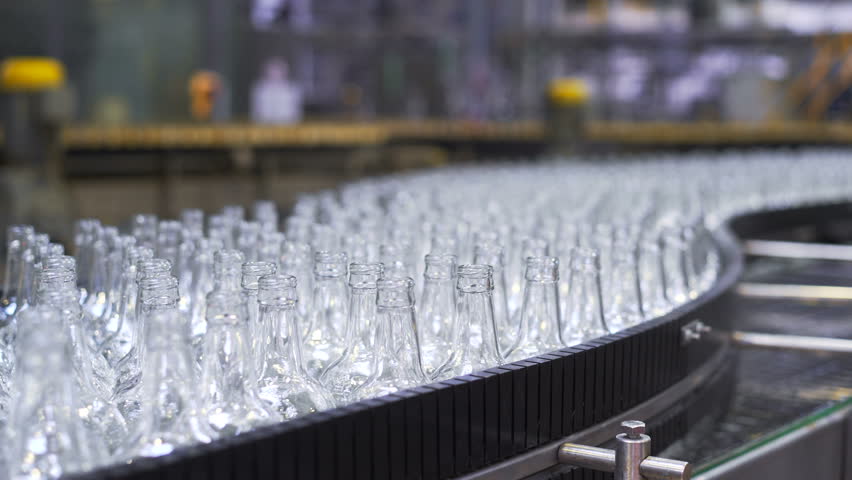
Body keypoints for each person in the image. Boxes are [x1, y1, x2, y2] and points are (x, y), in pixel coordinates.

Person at [251, 58, 302, 124]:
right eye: (272, 70)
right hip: (264, 127)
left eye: (278, 70)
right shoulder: (259, 89)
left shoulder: (293, 89)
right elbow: (256, 111)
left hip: (287, 127)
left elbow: (296, 112)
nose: (275, 73)